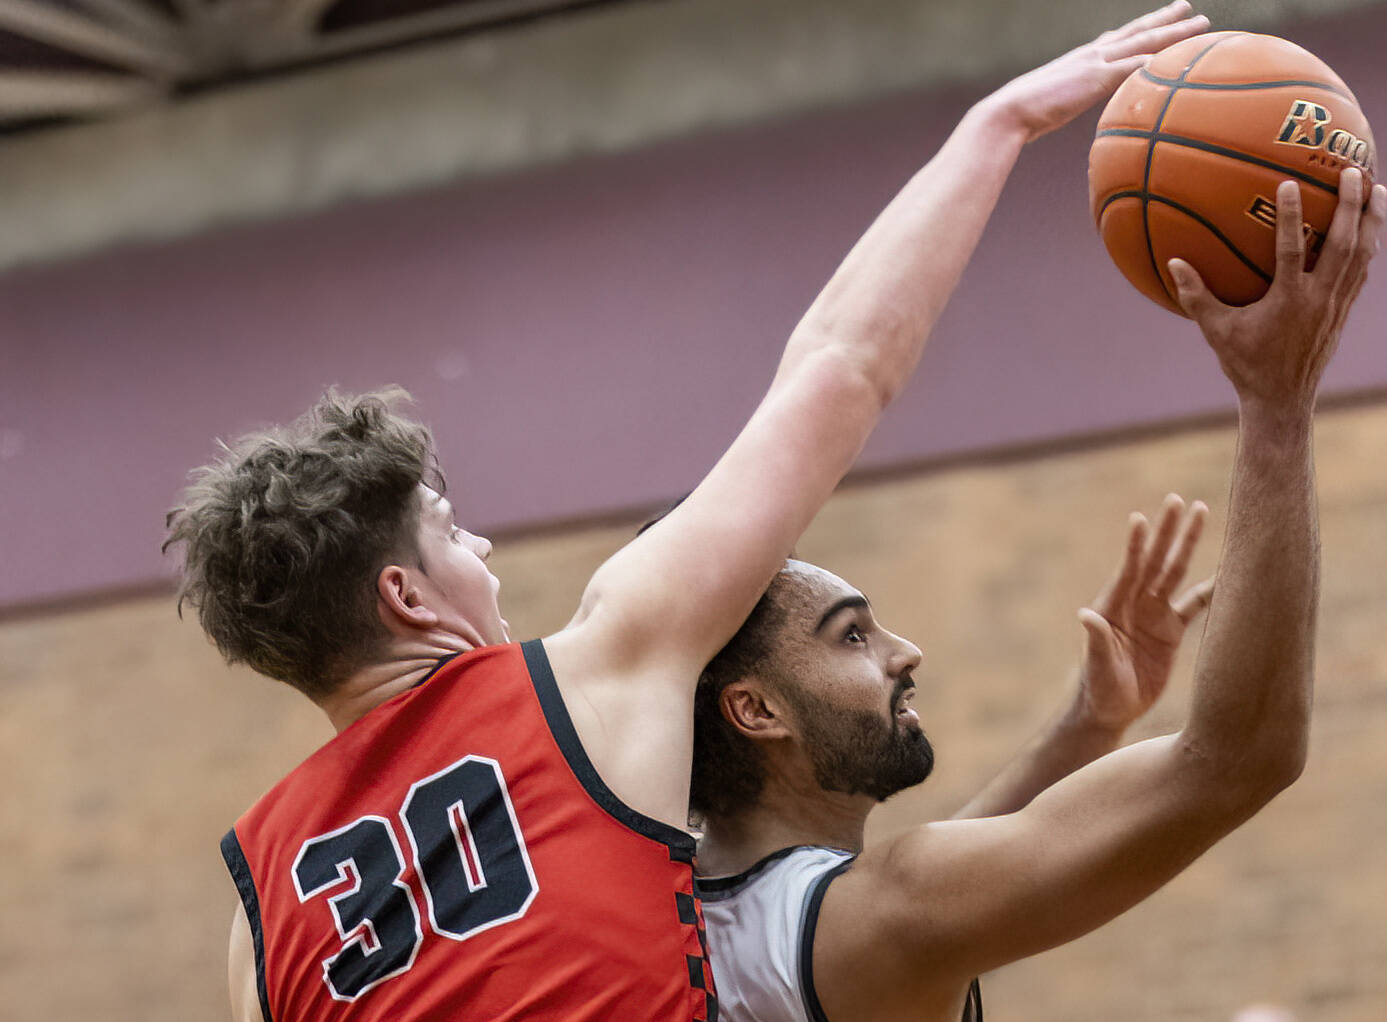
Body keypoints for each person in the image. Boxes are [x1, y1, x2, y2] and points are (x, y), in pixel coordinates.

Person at [164, 4, 1211, 1020]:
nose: (480, 549)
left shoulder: (259, 920)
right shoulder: (582, 678)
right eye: (450, 531)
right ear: (404, 593)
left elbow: (865, 925)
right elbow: (842, 368)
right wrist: (998, 126)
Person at [692, 164, 1387, 1022]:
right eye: (850, 636)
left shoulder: (684, 910)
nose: (904, 652)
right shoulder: (886, 914)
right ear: (757, 711)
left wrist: (1087, 726)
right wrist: (1278, 401)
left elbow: (941, 889)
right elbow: (1244, 757)